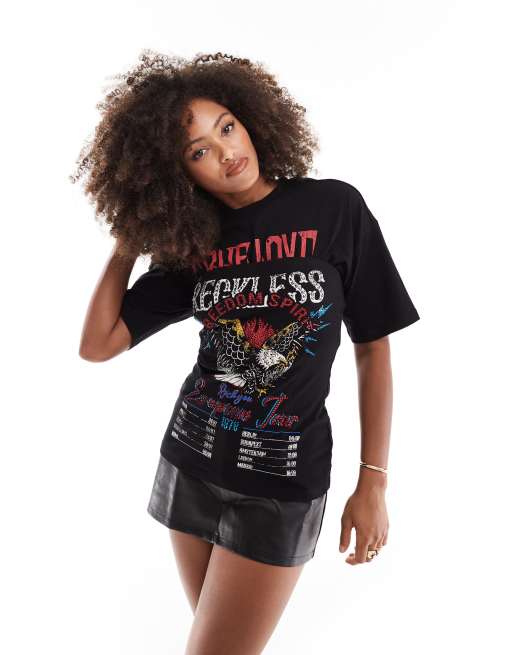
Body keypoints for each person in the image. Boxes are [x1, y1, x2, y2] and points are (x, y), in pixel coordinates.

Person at [74, 50, 420, 655]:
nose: (226, 151)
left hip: (281, 482)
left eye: (227, 127)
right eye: (198, 151)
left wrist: (374, 481)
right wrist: (132, 237)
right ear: (177, 174)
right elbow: (97, 344)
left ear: (251, 119)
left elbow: (373, 349)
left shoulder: (334, 209)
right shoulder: (193, 246)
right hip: (191, 461)